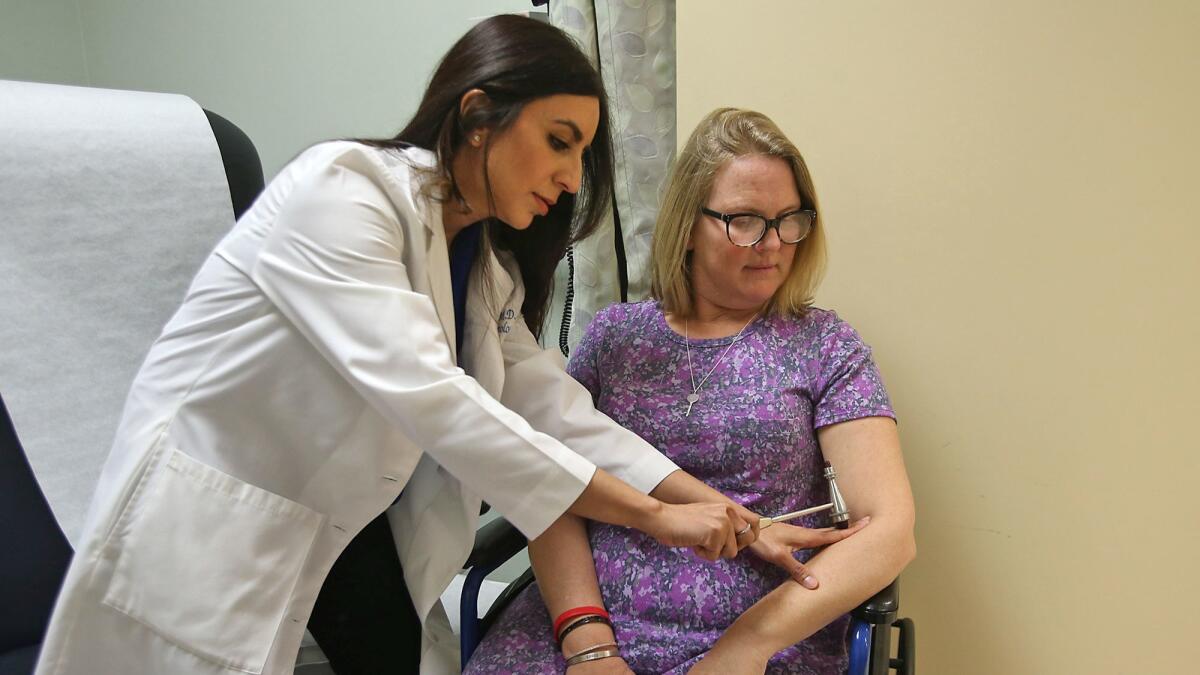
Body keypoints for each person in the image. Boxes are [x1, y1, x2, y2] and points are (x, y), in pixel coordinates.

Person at [33, 19, 781, 675]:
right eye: (559, 141)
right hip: (212, 528)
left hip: (337, 529)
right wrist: (650, 517)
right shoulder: (344, 193)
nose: (570, 176)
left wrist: (713, 504)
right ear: (478, 115)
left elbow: (554, 410)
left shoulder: (481, 266)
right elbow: (438, 401)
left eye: (581, 152)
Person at [464, 108, 917, 674]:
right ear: (688, 226)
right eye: (745, 220)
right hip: (590, 622)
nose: (772, 243)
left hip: (759, 635)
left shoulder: (826, 346)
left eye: (789, 219)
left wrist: (745, 648)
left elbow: (888, 534)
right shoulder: (617, 338)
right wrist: (588, 643)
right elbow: (555, 484)